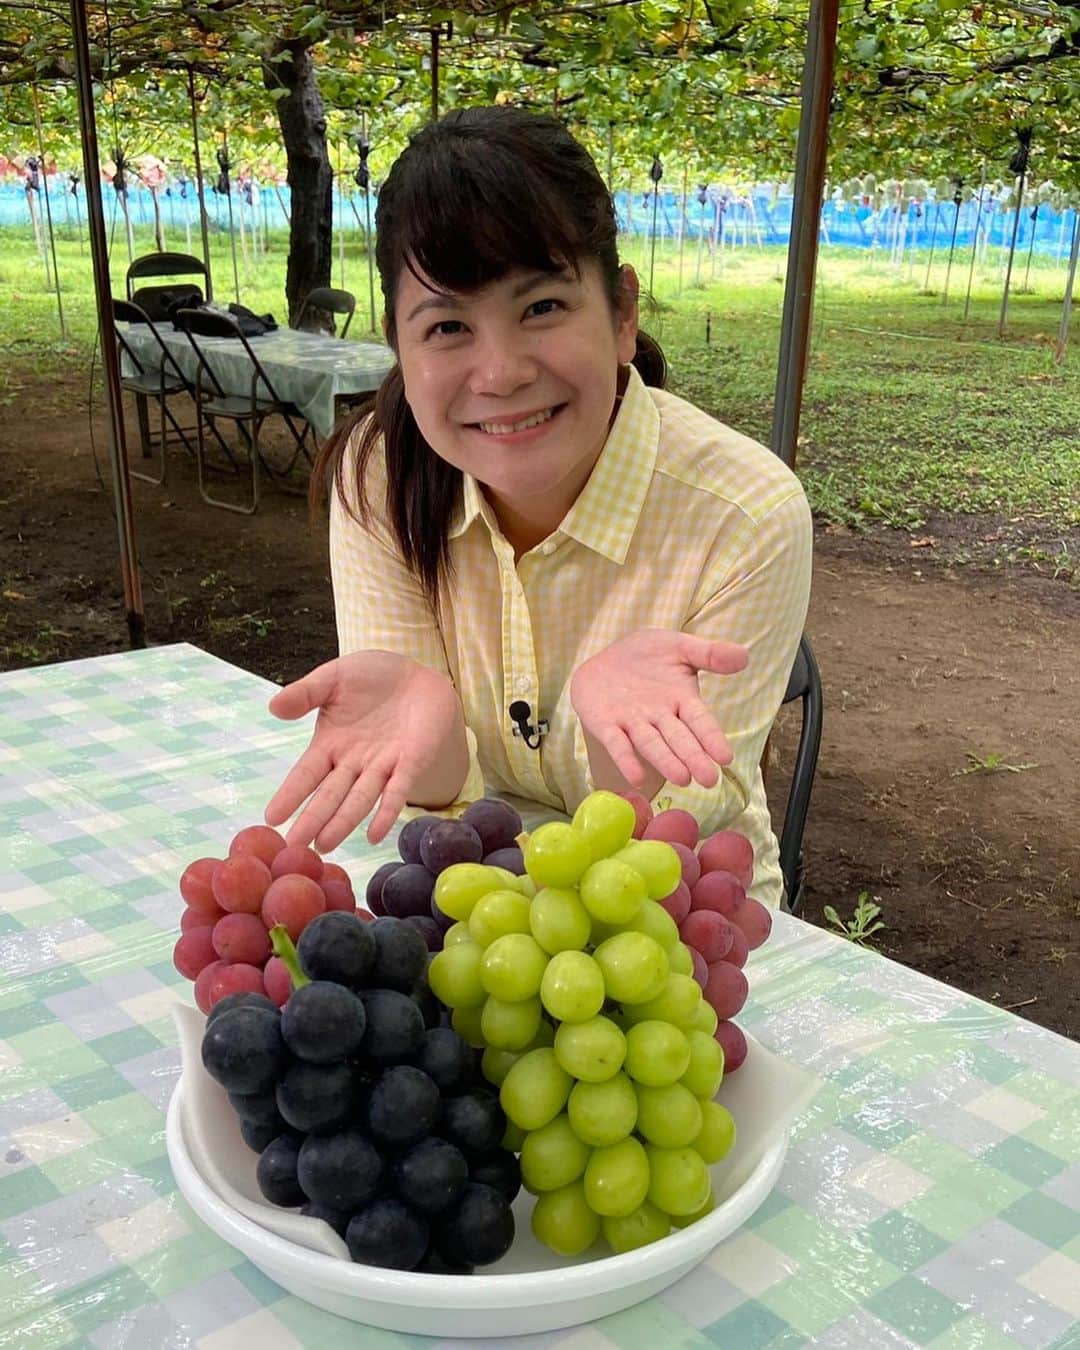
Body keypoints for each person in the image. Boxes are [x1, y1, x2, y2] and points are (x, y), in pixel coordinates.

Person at [264, 106, 812, 910]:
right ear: (399, 344)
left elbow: (669, 840)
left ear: (622, 314)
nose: (500, 373)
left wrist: (610, 732)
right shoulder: (379, 477)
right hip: (477, 905)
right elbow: (440, 813)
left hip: (681, 918)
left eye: (543, 308)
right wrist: (434, 734)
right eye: (448, 325)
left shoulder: (744, 513)